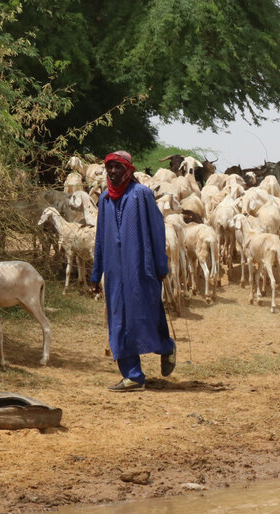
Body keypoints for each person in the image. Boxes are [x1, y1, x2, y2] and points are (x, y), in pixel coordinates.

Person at [90, 150, 175, 392]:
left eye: (118, 168)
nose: (113, 172)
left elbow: (157, 231)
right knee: (118, 321)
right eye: (110, 168)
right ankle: (134, 376)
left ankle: (166, 347)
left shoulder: (142, 195)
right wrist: (96, 274)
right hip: (115, 273)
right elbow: (100, 240)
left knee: (147, 314)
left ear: (129, 170)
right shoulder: (105, 199)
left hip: (141, 268)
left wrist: (161, 266)